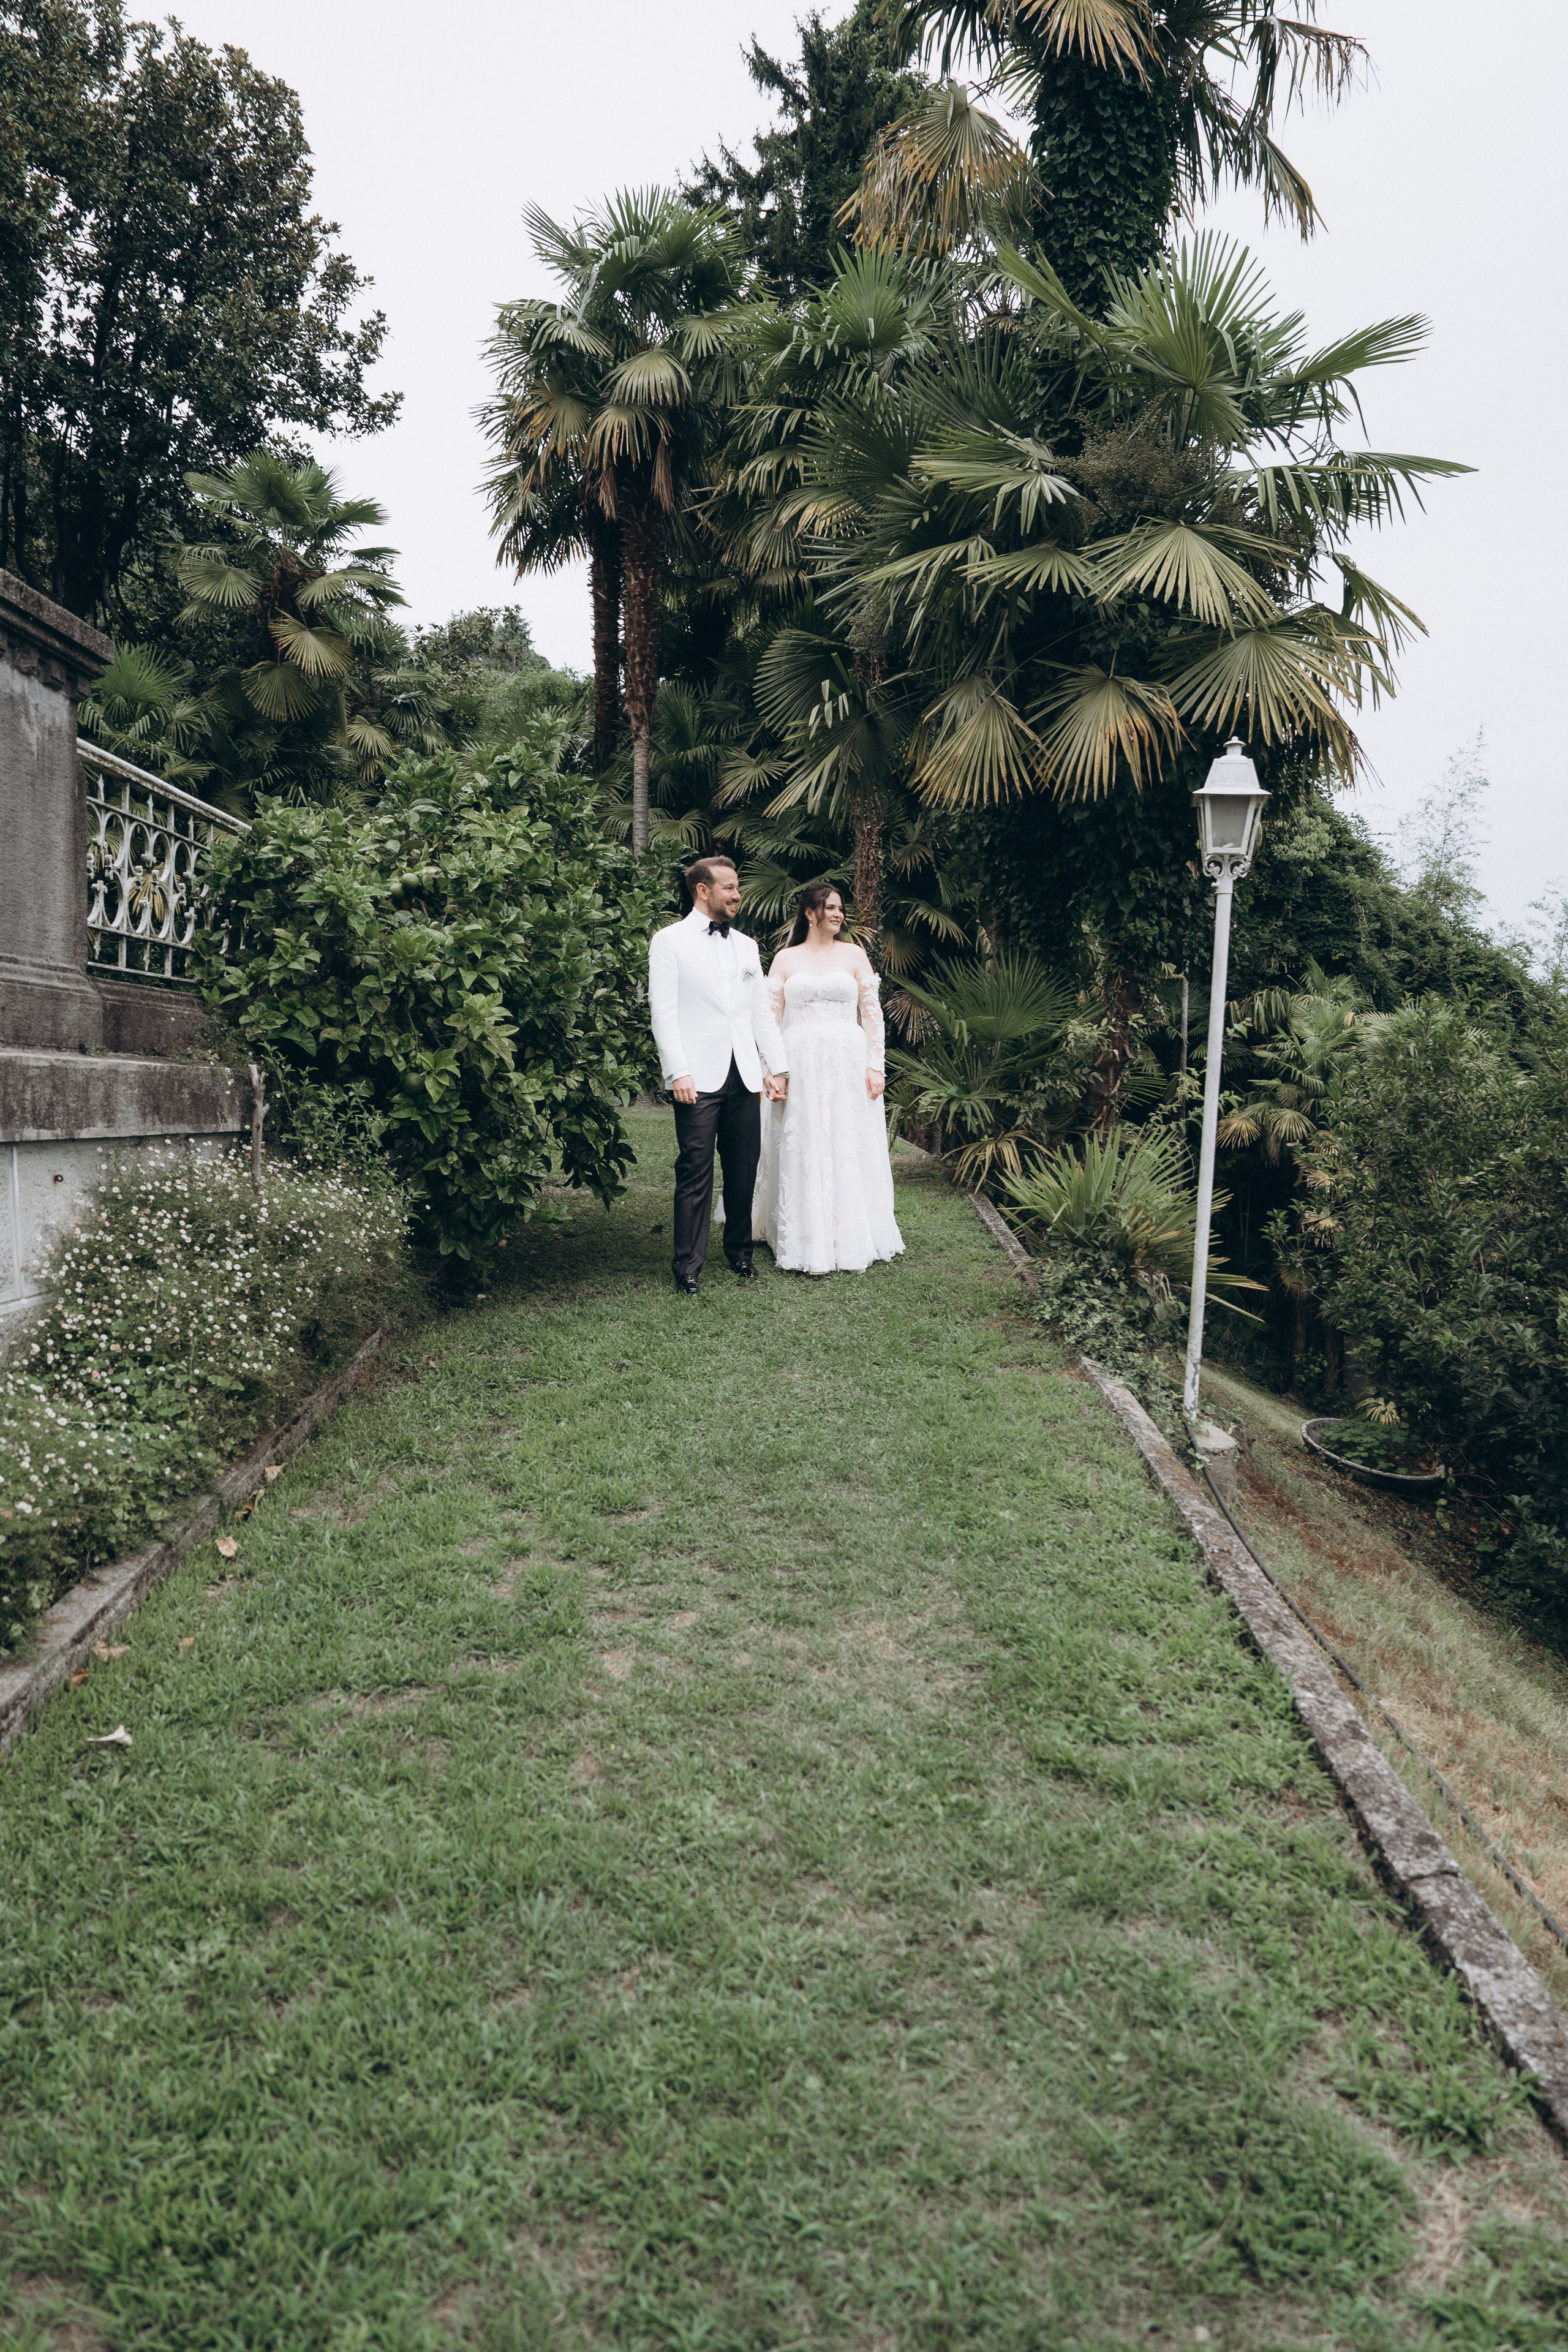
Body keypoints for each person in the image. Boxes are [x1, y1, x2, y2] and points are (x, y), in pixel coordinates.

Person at [647, 856, 789, 1295]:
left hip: (744, 1075)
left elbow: (760, 1013)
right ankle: (688, 1265)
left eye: (737, 888)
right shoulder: (669, 941)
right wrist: (678, 1071)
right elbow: (663, 1013)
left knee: (744, 1167)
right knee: (695, 1169)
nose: (737, 895)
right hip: (696, 1077)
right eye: (729, 887)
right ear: (703, 890)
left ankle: (740, 1253)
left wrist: (776, 1067)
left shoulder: (747, 946)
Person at [752, 882, 904, 1276]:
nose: (839, 914)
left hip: (847, 1062)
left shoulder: (855, 954)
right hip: (799, 1062)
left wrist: (875, 1066)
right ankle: (804, 1236)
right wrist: (771, 1070)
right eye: (831, 908)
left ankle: (846, 1233)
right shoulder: (785, 959)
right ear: (810, 913)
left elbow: (872, 1015)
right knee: (803, 1139)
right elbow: (768, 1021)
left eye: (840, 909)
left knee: (845, 1137)